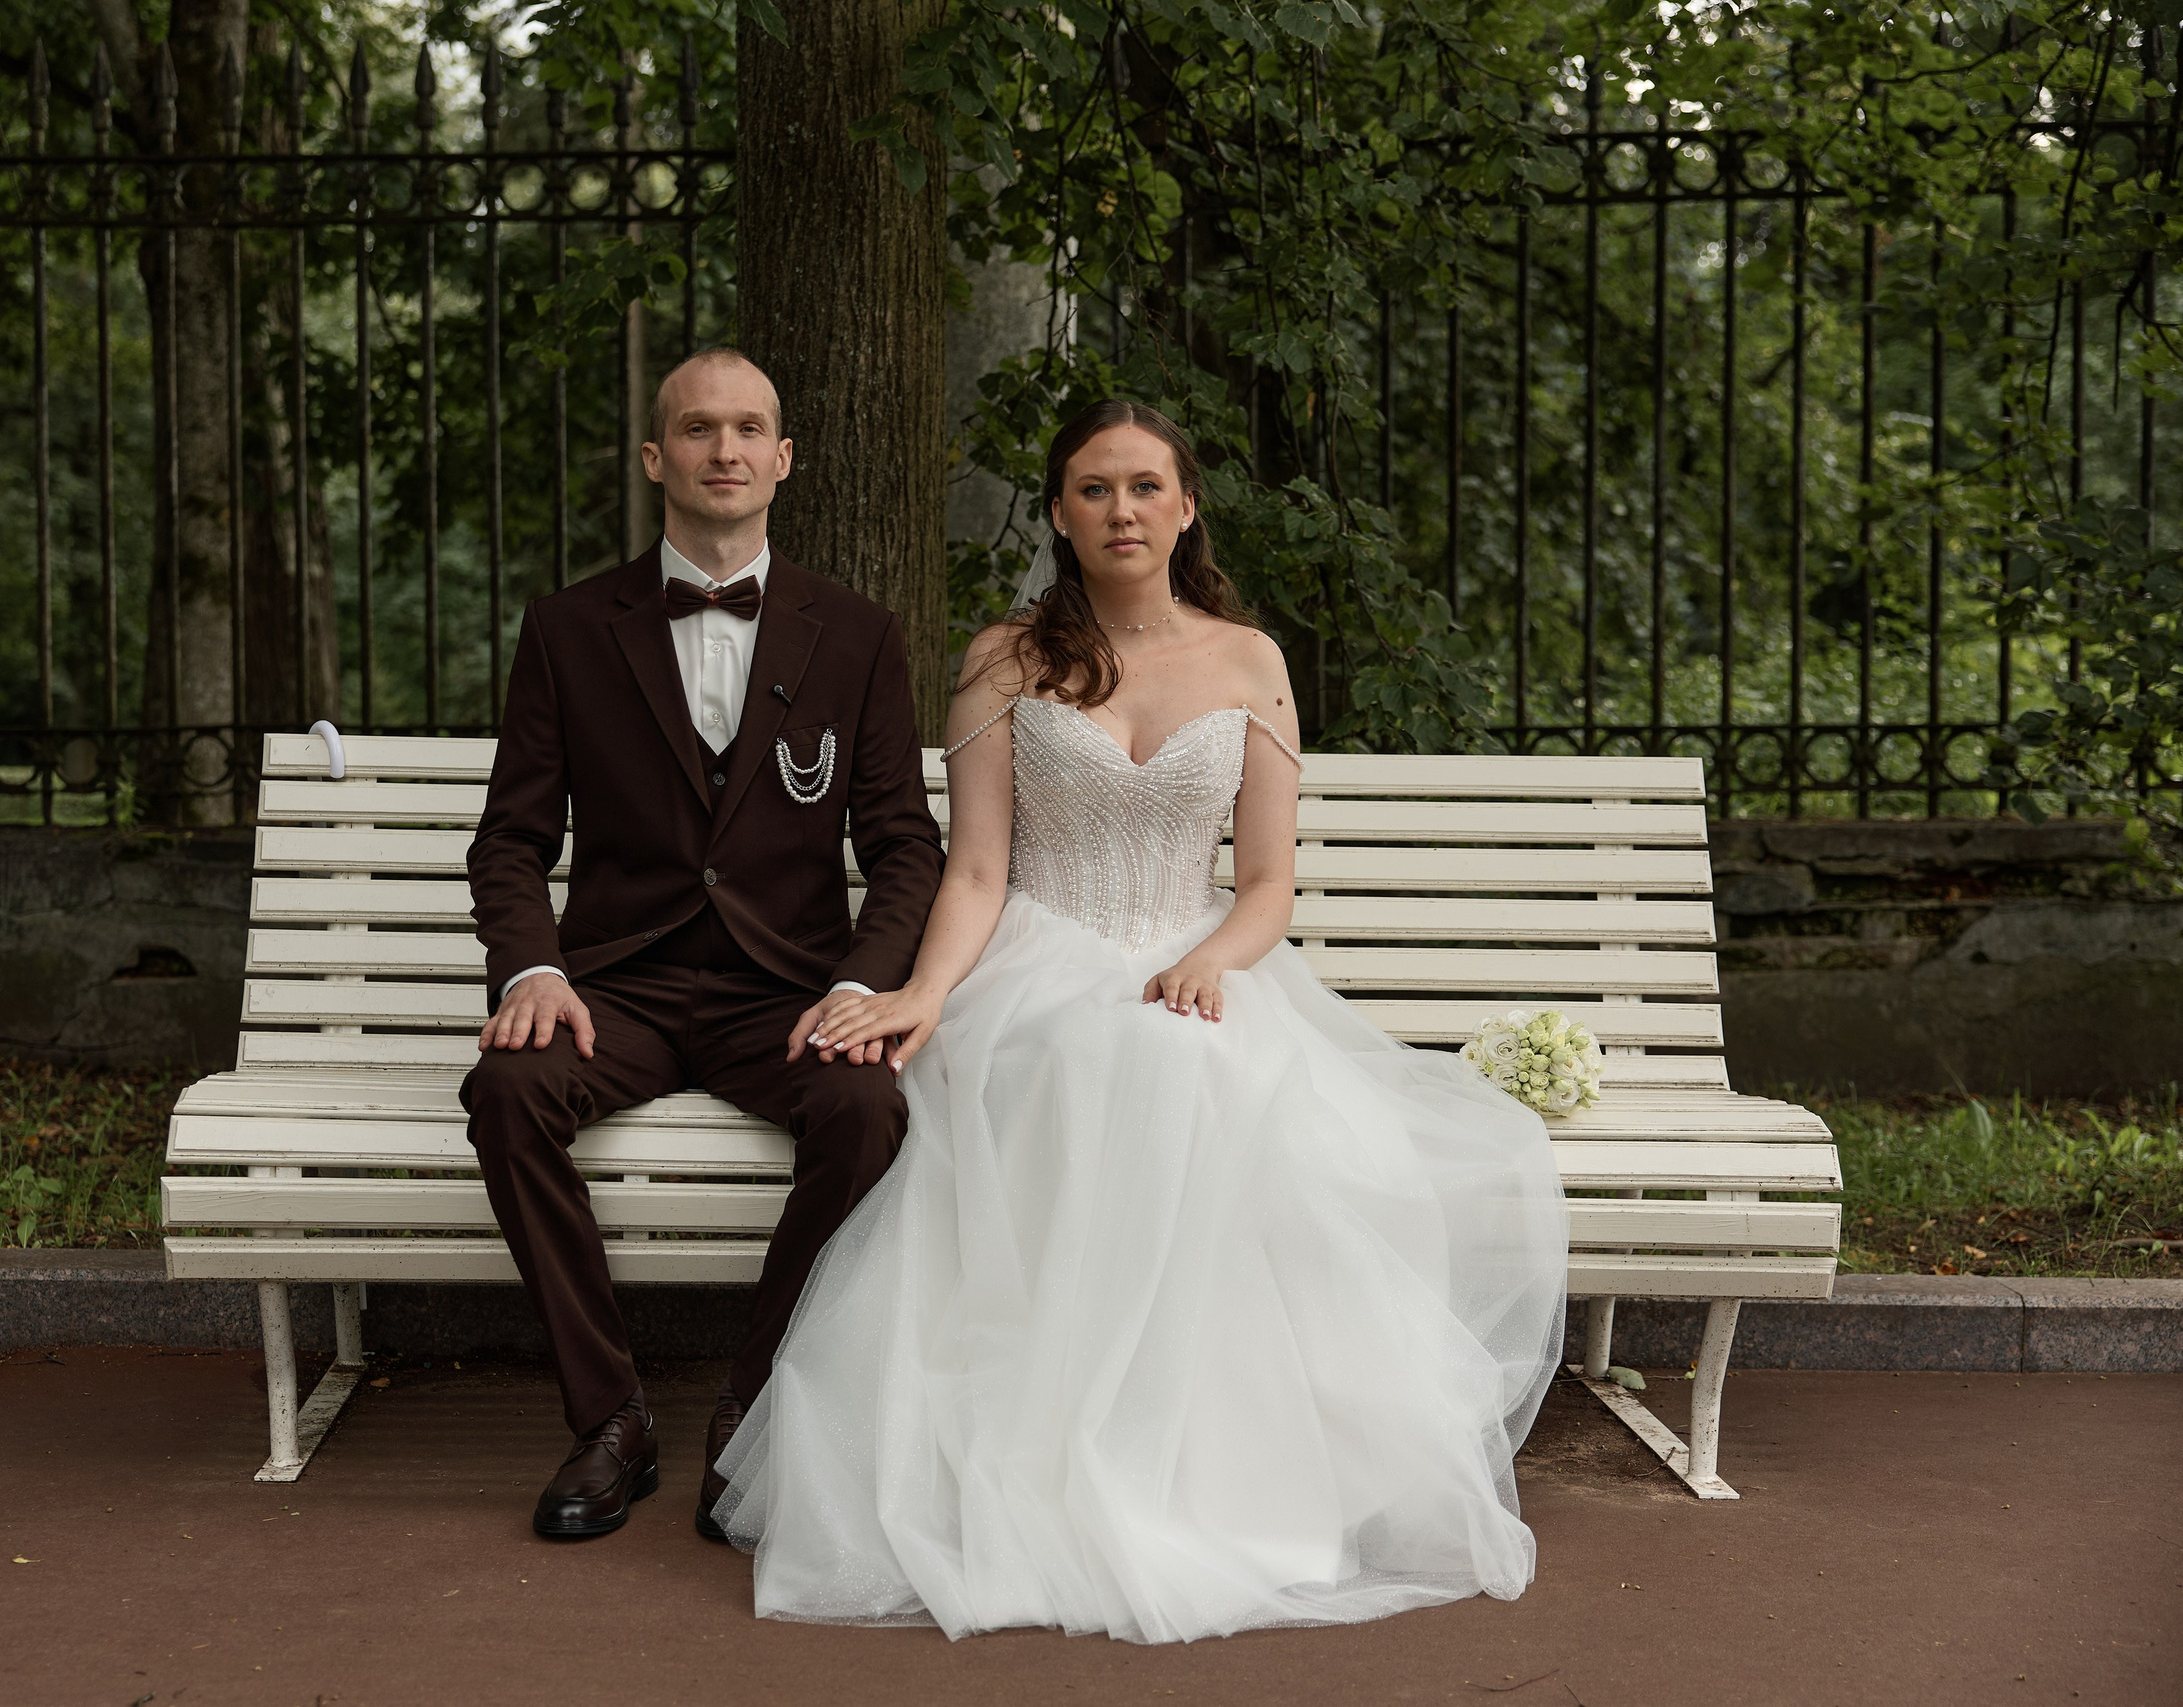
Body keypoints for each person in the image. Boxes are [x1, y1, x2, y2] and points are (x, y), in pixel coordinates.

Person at [709, 398, 1570, 1642]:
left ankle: (1209, 1478)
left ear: (1185, 506)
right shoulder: (1007, 658)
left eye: (1144, 488)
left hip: (1195, 949)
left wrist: (1213, 960)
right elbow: (974, 874)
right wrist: (925, 995)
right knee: (1087, 1062)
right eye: (1095, 489)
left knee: (1196, 1071)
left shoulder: (1248, 659)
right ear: (1060, 513)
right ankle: (1043, 1465)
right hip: (1036, 959)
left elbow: (1267, 883)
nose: (1122, 510)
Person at [461, 347, 944, 1540]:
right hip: (612, 992)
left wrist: (858, 986)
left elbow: (903, 848)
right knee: (506, 1091)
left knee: (868, 1112)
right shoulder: (570, 629)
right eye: (694, 429)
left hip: (782, 994)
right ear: (654, 459)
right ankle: (611, 1420)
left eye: (746, 430)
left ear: (782, 460)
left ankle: (754, 1407)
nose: (722, 450)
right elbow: (510, 841)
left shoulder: (860, 634)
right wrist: (533, 971)